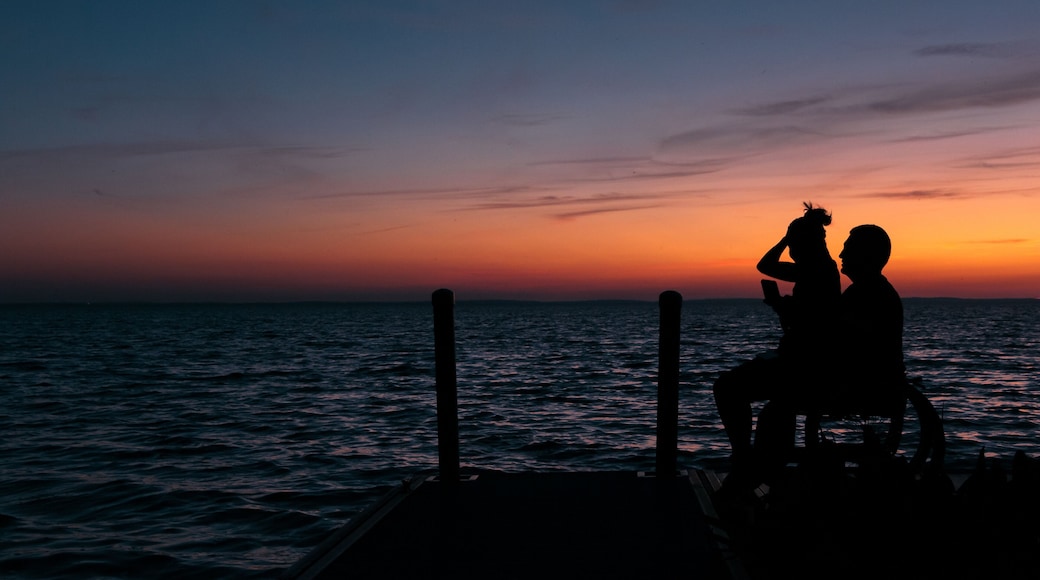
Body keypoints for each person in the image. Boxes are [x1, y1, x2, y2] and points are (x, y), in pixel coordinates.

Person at [724, 223, 906, 493]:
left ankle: (751, 467)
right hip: (850, 380)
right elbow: (833, 334)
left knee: (744, 391)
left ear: (867, 255)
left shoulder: (869, 295)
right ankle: (758, 469)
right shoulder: (867, 292)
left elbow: (837, 338)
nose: (841, 253)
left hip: (853, 386)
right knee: (776, 403)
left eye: (849, 247)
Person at [712, 203, 841, 492]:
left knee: (727, 387)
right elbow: (765, 266)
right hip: (800, 359)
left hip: (803, 364)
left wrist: (782, 305)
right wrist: (787, 238)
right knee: (739, 385)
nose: (792, 252)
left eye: (794, 245)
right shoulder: (814, 269)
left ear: (804, 244)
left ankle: (744, 459)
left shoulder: (817, 271)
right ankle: (749, 460)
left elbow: (812, 320)